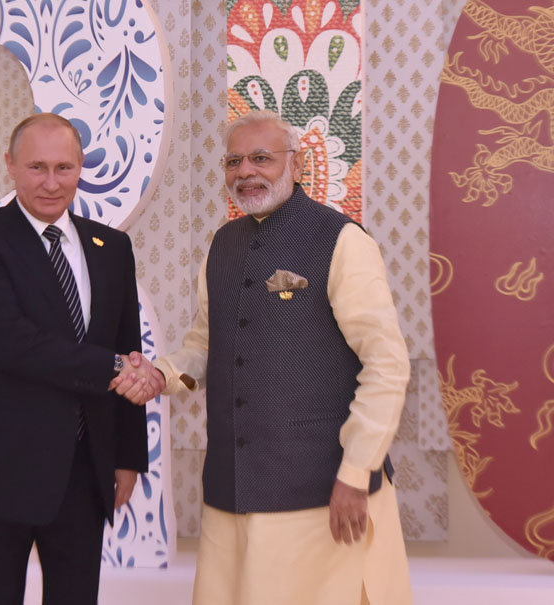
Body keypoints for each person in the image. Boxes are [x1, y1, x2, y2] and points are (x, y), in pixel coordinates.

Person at [113, 110, 413, 604]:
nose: (245, 171)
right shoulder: (223, 244)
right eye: (234, 161)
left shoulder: (342, 240)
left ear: (297, 166)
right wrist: (158, 376)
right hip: (231, 492)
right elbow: (204, 348)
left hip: (322, 495)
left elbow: (387, 365)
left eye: (261, 158)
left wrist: (356, 474)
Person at [0, 113, 163, 605]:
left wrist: (127, 457)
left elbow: (128, 347)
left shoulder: (112, 247)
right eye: (37, 167)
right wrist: (117, 370)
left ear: (82, 168)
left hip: (84, 473)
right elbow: (10, 342)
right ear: (10, 166)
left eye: (64, 167)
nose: (51, 182)